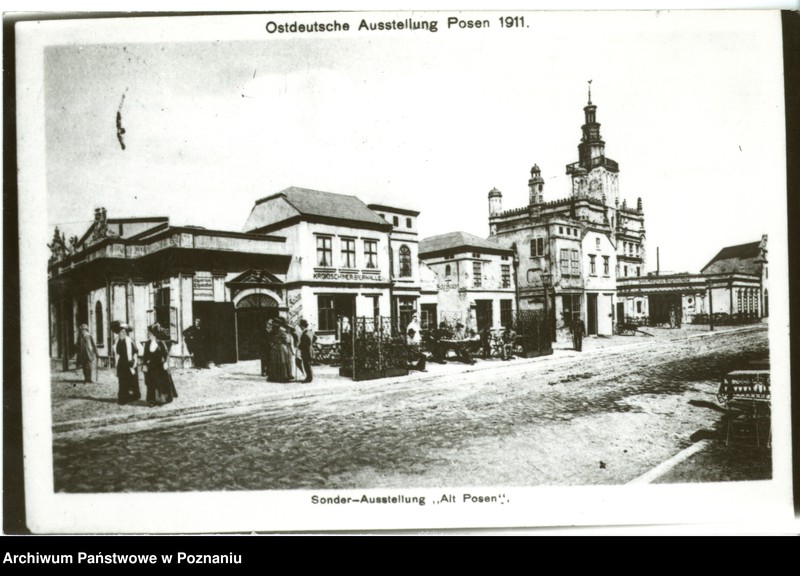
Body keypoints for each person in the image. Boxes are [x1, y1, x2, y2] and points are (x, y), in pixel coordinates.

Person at [141, 324, 178, 407]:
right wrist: (144, 365)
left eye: (149, 334)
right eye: (148, 334)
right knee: (151, 383)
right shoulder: (147, 344)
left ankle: (161, 400)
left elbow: (166, 354)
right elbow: (145, 355)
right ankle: (152, 400)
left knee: (160, 383)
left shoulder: (161, 343)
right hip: (151, 366)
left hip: (160, 366)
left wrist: (165, 362)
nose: (148, 335)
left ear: (154, 335)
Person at [115, 324, 141, 405]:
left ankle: (134, 395)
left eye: (124, 332)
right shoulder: (117, 341)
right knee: (122, 381)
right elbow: (116, 353)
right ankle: (123, 398)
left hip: (130, 363)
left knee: (131, 381)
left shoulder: (130, 340)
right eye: (121, 332)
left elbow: (136, 351)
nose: (122, 333)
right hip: (121, 363)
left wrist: (133, 363)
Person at [268, 318, 294, 383]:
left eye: (274, 323)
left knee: (281, 361)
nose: (273, 325)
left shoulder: (279, 330)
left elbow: (285, 339)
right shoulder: (277, 330)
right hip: (280, 347)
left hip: (279, 347)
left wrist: (273, 342)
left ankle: (280, 376)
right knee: (280, 361)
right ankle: (282, 376)